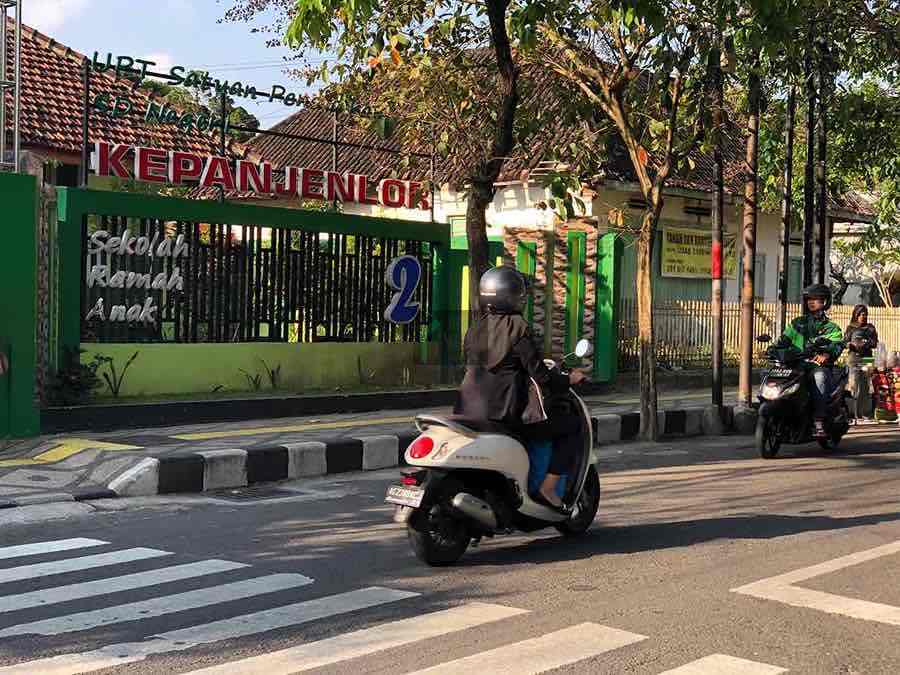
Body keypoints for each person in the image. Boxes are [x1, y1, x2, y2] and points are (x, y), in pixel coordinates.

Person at [454, 266, 588, 511]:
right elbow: (541, 375)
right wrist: (570, 379)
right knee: (571, 426)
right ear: (513, 296)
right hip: (505, 413)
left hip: (467, 410)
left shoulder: (475, 328)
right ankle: (548, 489)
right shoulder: (518, 328)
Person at [769, 283, 845, 439]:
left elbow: (836, 345)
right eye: (809, 298)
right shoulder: (798, 323)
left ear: (825, 302)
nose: (811, 301)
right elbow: (783, 340)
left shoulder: (831, 328)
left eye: (816, 299)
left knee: (820, 377)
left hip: (816, 367)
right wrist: (773, 349)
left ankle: (818, 420)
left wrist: (827, 355)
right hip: (796, 366)